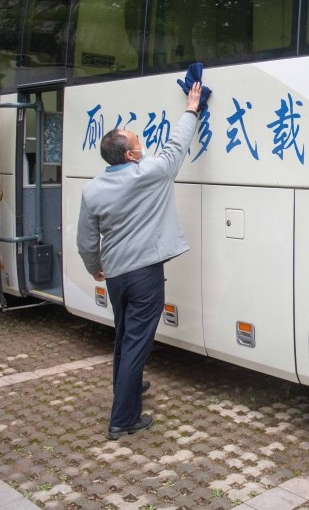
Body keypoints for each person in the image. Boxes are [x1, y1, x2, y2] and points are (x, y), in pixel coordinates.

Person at [77, 82, 204, 439]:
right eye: (138, 144)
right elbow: (177, 146)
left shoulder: (93, 189)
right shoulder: (149, 174)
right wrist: (192, 108)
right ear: (131, 156)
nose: (143, 147)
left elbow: (86, 239)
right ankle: (124, 418)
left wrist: (93, 267)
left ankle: (128, 389)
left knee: (124, 337)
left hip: (116, 274)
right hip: (145, 274)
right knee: (136, 342)